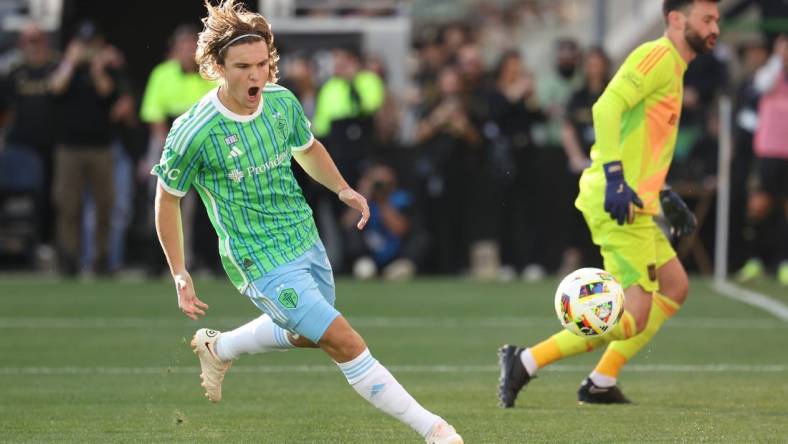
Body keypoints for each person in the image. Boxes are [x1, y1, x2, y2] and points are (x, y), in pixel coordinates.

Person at [151, 2, 462, 443]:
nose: (255, 76)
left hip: (303, 238)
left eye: (262, 64)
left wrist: (343, 189)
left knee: (307, 335)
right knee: (343, 340)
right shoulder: (193, 131)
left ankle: (218, 348)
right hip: (257, 257)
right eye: (243, 67)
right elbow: (167, 199)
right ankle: (434, 430)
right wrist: (179, 271)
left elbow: (308, 148)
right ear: (218, 67)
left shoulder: (281, 103)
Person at [498, 0, 719, 406]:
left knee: (675, 286)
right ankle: (525, 361)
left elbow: (641, 141)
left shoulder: (675, 67)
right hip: (618, 200)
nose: (715, 27)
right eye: (706, 19)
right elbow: (605, 106)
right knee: (632, 317)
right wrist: (618, 179)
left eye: (717, 19)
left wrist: (663, 193)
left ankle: (601, 380)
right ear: (675, 19)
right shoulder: (657, 55)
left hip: (636, 199)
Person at [49, 21, 129, 276]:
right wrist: (71, 63)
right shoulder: (65, 67)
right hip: (69, 148)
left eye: (92, 43)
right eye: (84, 44)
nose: (88, 48)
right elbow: (55, 88)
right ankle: (69, 260)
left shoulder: (108, 68)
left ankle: (101, 259)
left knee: (104, 205)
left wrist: (97, 69)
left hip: (101, 148)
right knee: (68, 206)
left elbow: (108, 93)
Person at [138, 24, 217, 277]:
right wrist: (167, 150)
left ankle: (195, 261)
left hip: (201, 146)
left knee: (198, 209)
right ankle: (157, 263)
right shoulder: (162, 74)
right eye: (183, 47)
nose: (188, 52)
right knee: (162, 201)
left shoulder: (209, 75)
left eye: (192, 47)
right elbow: (154, 114)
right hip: (169, 142)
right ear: (175, 49)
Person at [736, 35, 788, 284]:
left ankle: (784, 262)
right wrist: (778, 59)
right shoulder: (770, 73)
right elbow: (763, 84)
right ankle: (754, 259)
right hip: (768, 151)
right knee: (758, 206)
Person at [342, 164, 427, 280]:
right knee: (365, 270)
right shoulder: (362, 201)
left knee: (402, 268)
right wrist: (362, 195)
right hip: (368, 257)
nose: (380, 187)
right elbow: (347, 224)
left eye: (385, 184)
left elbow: (400, 229)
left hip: (397, 256)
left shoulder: (401, 200)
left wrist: (383, 202)